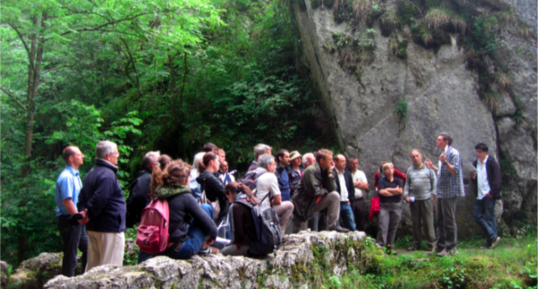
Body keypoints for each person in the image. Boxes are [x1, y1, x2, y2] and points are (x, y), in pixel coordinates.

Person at [155, 160, 219, 259]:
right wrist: (212, 236)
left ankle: (203, 247)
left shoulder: (159, 193)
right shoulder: (184, 196)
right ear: (184, 180)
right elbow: (208, 224)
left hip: (159, 247)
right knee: (206, 208)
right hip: (179, 249)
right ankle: (203, 247)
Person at [77, 140, 126, 271]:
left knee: (93, 269)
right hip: (109, 229)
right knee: (110, 272)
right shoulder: (107, 174)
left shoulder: (91, 172)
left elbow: (81, 196)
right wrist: (89, 214)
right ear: (108, 156)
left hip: (94, 227)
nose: (118, 155)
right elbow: (100, 198)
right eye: (116, 153)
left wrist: (83, 211)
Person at [425, 132, 465, 257]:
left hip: (450, 191)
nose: (436, 141)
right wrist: (433, 167)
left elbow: (454, 171)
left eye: (439, 140)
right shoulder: (442, 154)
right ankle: (440, 246)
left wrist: (445, 162)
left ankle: (451, 247)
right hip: (441, 191)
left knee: (449, 220)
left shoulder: (453, 153)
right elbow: (443, 171)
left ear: (446, 141)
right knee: (440, 220)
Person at [291, 149, 349, 233]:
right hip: (302, 206)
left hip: (314, 203)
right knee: (300, 232)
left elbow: (332, 189)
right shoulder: (311, 170)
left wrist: (329, 172)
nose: (332, 162)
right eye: (329, 159)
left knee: (335, 195)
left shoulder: (326, 170)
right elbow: (315, 191)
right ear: (322, 160)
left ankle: (333, 226)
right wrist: (326, 190)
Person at [54, 146, 88, 277]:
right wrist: (78, 216)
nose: (83, 156)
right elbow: (67, 202)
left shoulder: (75, 175)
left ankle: (86, 278)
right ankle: (67, 283)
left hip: (76, 221)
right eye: (80, 154)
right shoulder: (67, 177)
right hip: (69, 220)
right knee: (70, 256)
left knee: (88, 248)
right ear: (71, 158)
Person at [403, 149, 436, 251]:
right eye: (413, 156)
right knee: (415, 223)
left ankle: (432, 244)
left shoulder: (429, 169)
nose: (415, 158)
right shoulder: (410, 170)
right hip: (414, 200)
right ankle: (416, 244)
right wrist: (406, 195)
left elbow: (434, 183)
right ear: (411, 158)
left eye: (417, 156)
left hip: (426, 199)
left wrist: (433, 195)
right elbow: (407, 184)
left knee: (428, 222)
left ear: (421, 156)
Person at [471, 143, 502, 249]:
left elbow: (497, 179)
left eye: (480, 152)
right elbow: (476, 180)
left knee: (489, 217)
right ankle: (493, 237)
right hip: (480, 194)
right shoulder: (476, 163)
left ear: (485, 152)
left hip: (488, 194)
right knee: (477, 215)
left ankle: (491, 241)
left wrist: (492, 192)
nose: (478, 154)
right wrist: (473, 177)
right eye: (477, 152)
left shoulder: (491, 163)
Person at [255, 154, 295, 233]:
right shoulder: (270, 176)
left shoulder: (252, 172)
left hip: (251, 208)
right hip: (262, 210)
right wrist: (271, 202)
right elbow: (278, 200)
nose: (275, 167)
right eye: (274, 164)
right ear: (268, 166)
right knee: (290, 205)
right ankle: (279, 233)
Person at [221, 182, 260, 256]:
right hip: (259, 242)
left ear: (230, 193)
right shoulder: (252, 199)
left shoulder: (236, 206)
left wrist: (231, 243)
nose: (229, 201)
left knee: (222, 253)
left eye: (228, 198)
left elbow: (238, 234)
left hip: (248, 245)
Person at [126, 151, 160, 228]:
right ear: (152, 165)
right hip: (147, 220)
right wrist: (146, 210)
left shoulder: (152, 178)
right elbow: (138, 197)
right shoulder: (145, 179)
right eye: (159, 163)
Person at [376, 162, 404, 255]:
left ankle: (390, 247)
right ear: (384, 171)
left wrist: (388, 189)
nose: (390, 169)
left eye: (391, 167)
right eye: (387, 168)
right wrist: (394, 191)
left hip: (396, 205)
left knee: (393, 227)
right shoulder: (381, 181)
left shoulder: (398, 180)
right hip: (384, 205)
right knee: (383, 226)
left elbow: (400, 191)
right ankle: (381, 247)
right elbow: (381, 192)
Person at [196, 152, 227, 225]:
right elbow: (224, 191)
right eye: (217, 161)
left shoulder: (205, 175)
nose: (219, 164)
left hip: (210, 211)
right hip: (217, 214)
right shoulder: (210, 177)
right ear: (212, 162)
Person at [333, 154, 357, 231]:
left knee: (352, 225)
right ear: (335, 162)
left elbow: (351, 188)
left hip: (346, 202)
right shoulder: (331, 173)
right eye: (342, 161)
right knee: (337, 225)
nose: (344, 163)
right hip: (336, 203)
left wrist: (351, 199)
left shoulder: (347, 173)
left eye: (345, 161)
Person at [346, 156, 368, 231]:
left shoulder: (361, 173)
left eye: (356, 163)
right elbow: (346, 185)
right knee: (350, 218)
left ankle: (361, 233)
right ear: (348, 164)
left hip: (360, 200)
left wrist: (352, 184)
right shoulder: (346, 173)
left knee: (361, 219)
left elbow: (366, 186)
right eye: (353, 164)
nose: (355, 165)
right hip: (349, 199)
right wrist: (359, 183)